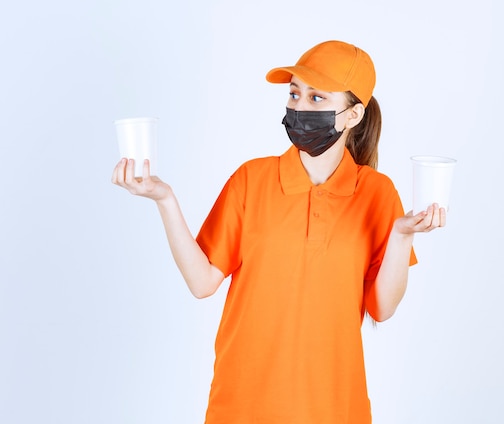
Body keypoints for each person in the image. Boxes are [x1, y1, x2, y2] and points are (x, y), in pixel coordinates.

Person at [112, 40, 446, 424]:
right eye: (294, 94)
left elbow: (382, 309)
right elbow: (202, 282)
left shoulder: (376, 192)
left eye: (317, 98)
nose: (300, 108)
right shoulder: (251, 180)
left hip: (335, 409)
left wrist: (403, 236)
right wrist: (165, 200)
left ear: (353, 115)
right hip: (242, 406)